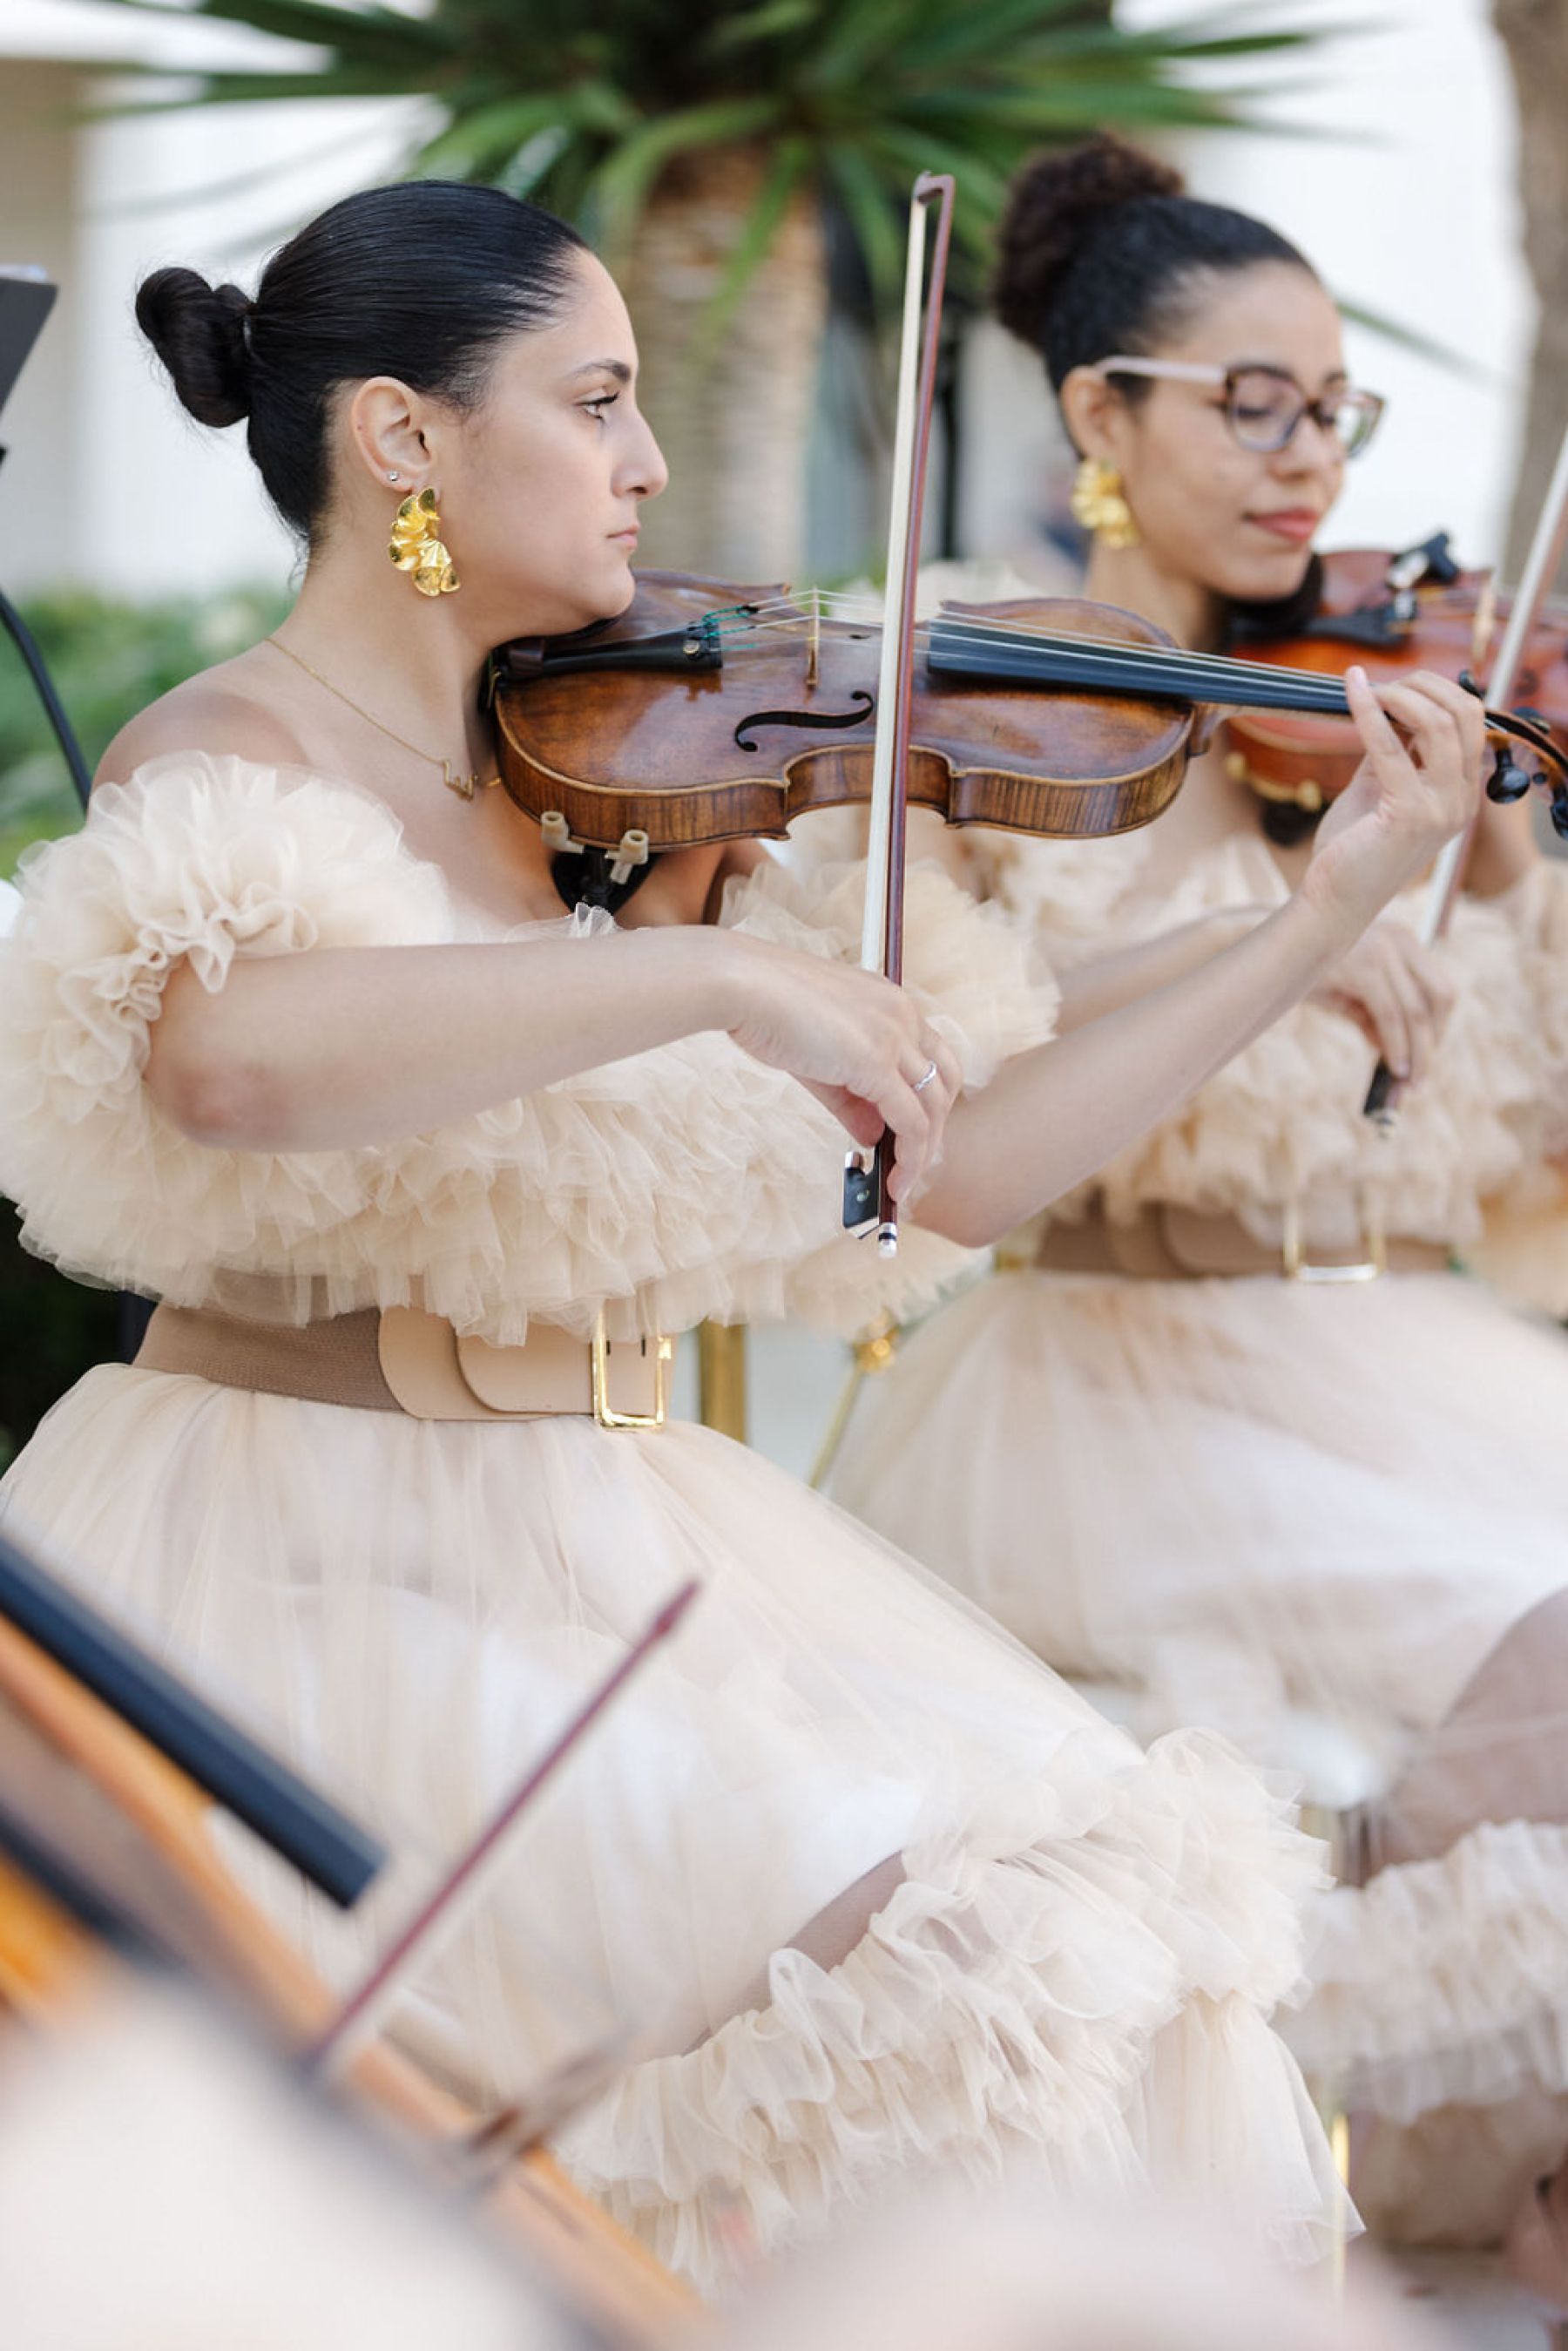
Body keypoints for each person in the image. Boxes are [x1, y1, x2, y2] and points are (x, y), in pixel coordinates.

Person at [0, 179, 1479, 2294]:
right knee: (967, 1935)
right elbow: (235, 1061)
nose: (650, 463)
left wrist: (1320, 912)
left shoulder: (611, 799)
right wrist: (703, 981)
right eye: (595, 400)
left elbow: (941, 1166)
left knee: (1123, 1914)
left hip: (596, 1527)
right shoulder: (226, 749)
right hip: (295, 1553)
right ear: (406, 439)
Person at [828, 135, 1568, 2273]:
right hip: (1116, 1380)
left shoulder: (1341, 709)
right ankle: (1471, 2190)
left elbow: (1485, 1129)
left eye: (1333, 411)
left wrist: (1504, 866)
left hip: (1370, 1350)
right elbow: (938, 1034)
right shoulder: (975, 681)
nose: (1306, 460)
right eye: (1252, 403)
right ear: (1095, 413)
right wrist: (1278, 929)